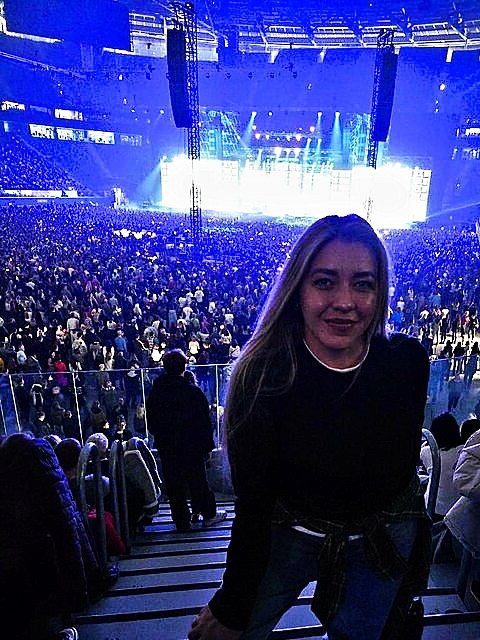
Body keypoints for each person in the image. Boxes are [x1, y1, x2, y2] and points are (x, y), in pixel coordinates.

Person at [188, 214, 431, 640]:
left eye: (363, 284)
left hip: (377, 532)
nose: (345, 301)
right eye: (324, 282)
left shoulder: (406, 362)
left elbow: (398, 471)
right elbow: (254, 504)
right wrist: (233, 603)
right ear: (297, 289)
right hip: (287, 528)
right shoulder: (262, 376)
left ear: (380, 293)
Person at [146, 349, 226, 532]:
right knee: (198, 482)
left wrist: (162, 437)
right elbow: (204, 423)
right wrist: (207, 447)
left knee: (174, 485)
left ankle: (181, 521)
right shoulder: (193, 393)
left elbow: (151, 422)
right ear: (184, 366)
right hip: (192, 447)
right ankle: (208, 515)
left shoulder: (156, 392)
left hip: (167, 447)